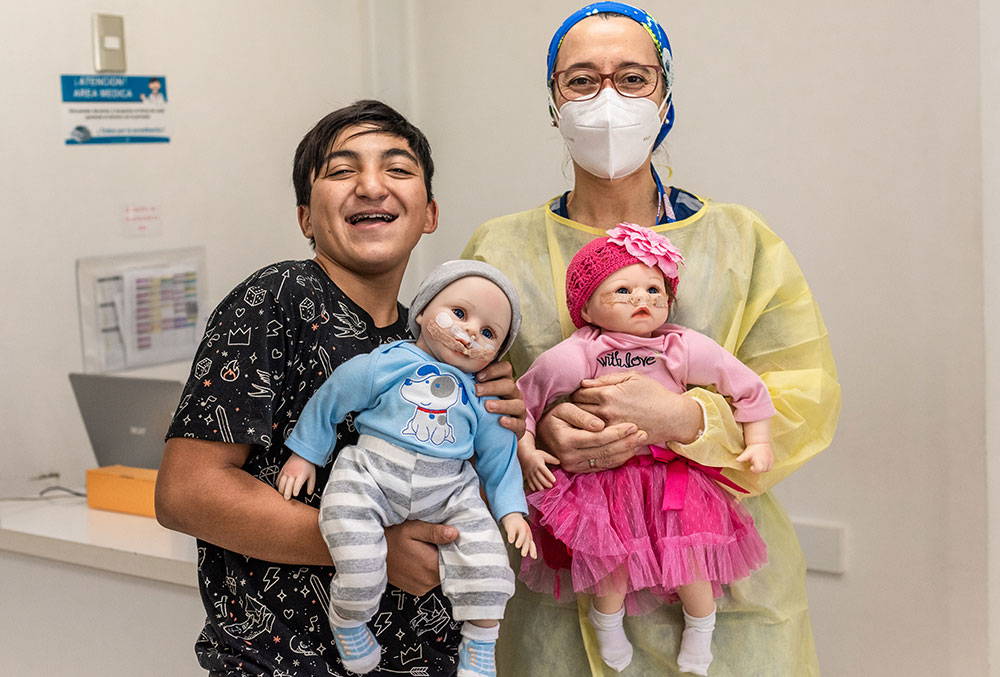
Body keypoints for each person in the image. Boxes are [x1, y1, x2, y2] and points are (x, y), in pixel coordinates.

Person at [462, 3, 841, 676]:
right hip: (561, 602)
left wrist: (686, 416)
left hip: (726, 605)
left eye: (632, 78)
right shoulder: (499, 250)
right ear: (553, 103)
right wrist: (537, 438)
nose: (607, 99)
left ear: (665, 94)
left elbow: (803, 399)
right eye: (581, 80)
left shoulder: (740, 242)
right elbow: (457, 405)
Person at [155, 100, 526, 677]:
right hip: (286, 662)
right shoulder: (276, 299)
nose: (372, 186)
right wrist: (368, 544)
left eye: (398, 170)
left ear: (429, 213)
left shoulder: (432, 345)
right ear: (306, 217)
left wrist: (502, 426)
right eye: (342, 170)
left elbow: (447, 490)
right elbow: (186, 493)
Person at [516, 224, 773, 675]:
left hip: (674, 476)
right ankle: (607, 623)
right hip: (606, 481)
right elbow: (524, 401)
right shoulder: (579, 352)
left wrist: (759, 439)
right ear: (588, 306)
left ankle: (701, 627)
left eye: (655, 288)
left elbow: (745, 385)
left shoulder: (680, 345)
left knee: (693, 561)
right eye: (624, 289)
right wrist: (529, 444)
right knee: (609, 565)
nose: (645, 299)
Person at [276, 261, 535, 676]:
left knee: (490, 561)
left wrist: (511, 511)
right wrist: (306, 453)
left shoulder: (482, 395)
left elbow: (499, 456)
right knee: (355, 553)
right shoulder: (387, 363)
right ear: (421, 310)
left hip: (448, 490)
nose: (470, 332)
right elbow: (334, 395)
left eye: (489, 333)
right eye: (459, 313)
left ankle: (481, 643)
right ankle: (349, 619)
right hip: (372, 475)